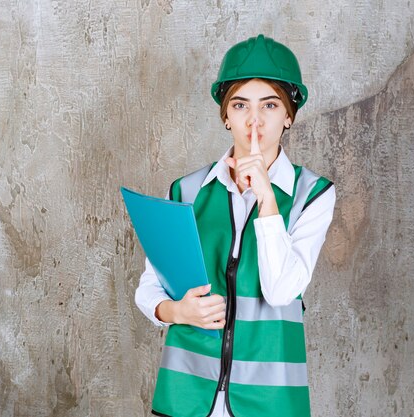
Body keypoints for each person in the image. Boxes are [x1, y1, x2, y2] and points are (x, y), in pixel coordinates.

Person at [135, 34, 336, 417]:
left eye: (271, 105)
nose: (254, 120)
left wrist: (267, 198)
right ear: (226, 115)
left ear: (289, 115)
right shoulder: (186, 191)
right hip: (188, 396)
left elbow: (280, 291)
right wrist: (176, 312)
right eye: (241, 104)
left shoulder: (314, 195)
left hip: (268, 404)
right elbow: (149, 286)